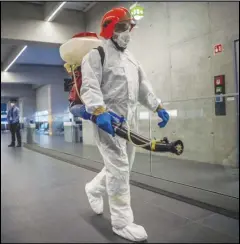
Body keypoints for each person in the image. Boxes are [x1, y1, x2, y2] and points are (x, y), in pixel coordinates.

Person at [80, 7, 170, 242]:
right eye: (121, 27)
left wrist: (157, 106)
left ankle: (93, 188)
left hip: (128, 124)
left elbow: (142, 87)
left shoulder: (131, 59)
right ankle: (121, 223)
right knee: (119, 169)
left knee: (123, 167)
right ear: (109, 29)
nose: (126, 32)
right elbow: (89, 86)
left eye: (128, 27)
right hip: (108, 122)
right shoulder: (96, 55)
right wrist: (99, 111)